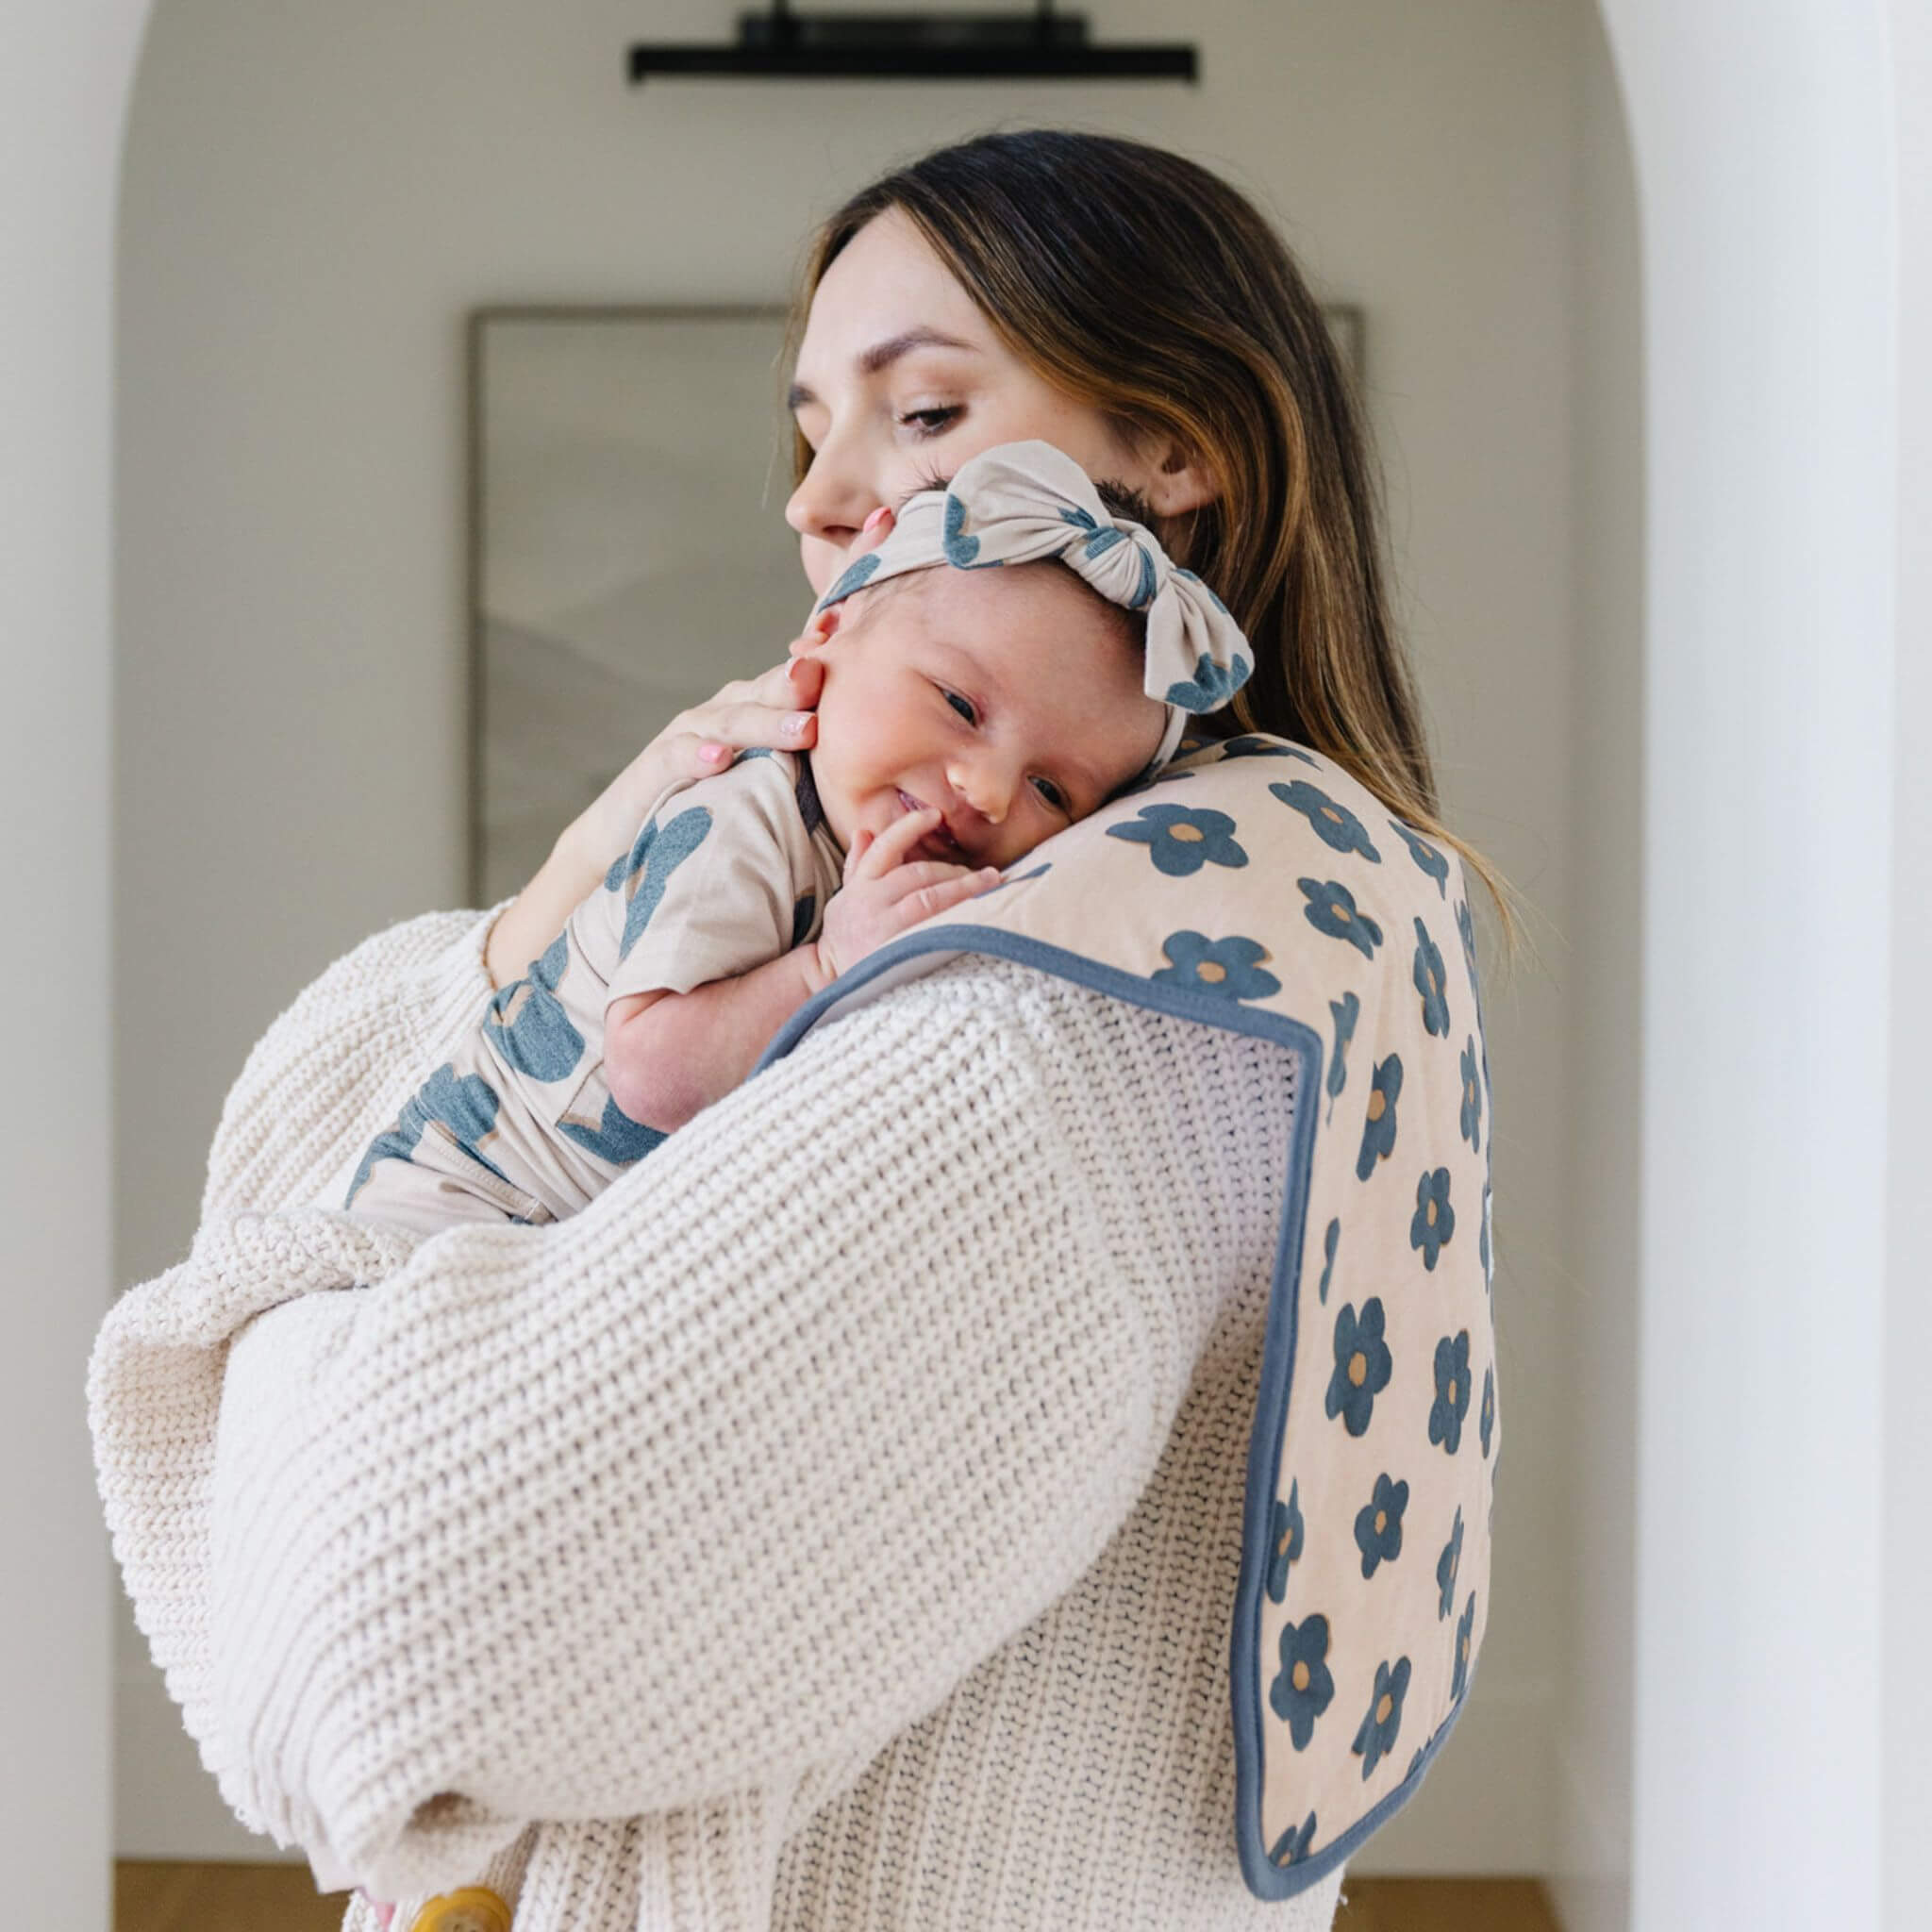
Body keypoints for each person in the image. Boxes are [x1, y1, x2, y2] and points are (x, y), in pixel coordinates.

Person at [92, 130, 1515, 1932]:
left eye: (920, 414)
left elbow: (383, 1598)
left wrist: (296, 1301)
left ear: (1176, 452)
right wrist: (556, 901)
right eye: (810, 423)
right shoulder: (1274, 911)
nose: (821, 495)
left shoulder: (1058, 1002)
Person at [340, 440, 1249, 1239]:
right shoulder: (745, 820)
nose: (988, 790)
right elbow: (650, 1070)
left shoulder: (906, 864)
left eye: (1053, 789)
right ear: (825, 636)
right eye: (960, 705)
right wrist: (826, 969)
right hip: (463, 1201)